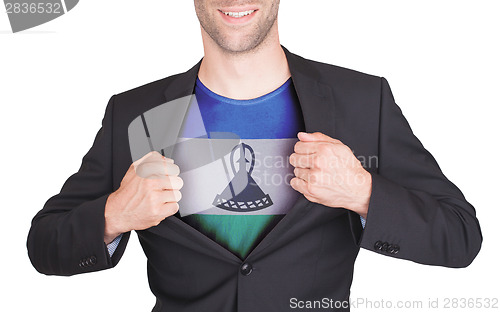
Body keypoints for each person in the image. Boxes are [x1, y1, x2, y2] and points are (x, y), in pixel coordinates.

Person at [27, 1, 482, 311]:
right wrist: (114, 214)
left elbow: (460, 236)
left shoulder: (362, 101)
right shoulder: (136, 113)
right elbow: (44, 245)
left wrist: (363, 192)